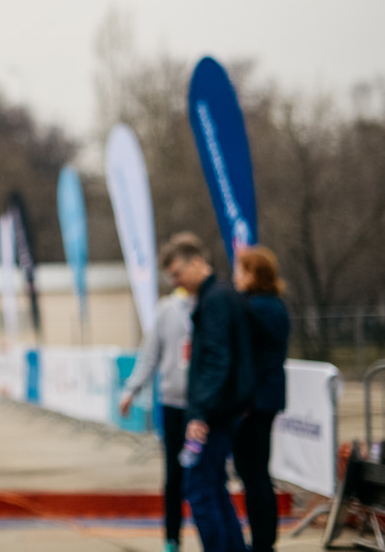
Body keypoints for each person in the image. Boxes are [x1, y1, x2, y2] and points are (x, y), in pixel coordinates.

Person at [160, 232, 254, 552]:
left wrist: (199, 413)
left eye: (177, 274)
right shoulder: (221, 297)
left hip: (215, 413)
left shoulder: (215, 300)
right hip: (223, 409)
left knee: (200, 488)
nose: (176, 283)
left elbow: (216, 361)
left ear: (197, 263)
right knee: (213, 486)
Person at [118, 283, 195, 552]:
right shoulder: (166, 309)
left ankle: (214, 535)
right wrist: (131, 390)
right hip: (173, 406)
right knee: (174, 474)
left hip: (204, 408)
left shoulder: (212, 304)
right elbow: (149, 355)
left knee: (205, 475)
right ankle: (172, 538)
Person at [232, 246, 290, 552]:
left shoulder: (255, 309)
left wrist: (243, 401)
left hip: (254, 403)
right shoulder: (275, 306)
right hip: (266, 399)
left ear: (254, 274)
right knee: (259, 475)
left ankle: (262, 543)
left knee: (253, 476)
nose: (235, 277)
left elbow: (249, 359)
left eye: (240, 270)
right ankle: (266, 541)